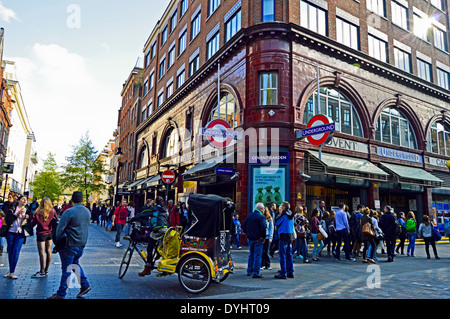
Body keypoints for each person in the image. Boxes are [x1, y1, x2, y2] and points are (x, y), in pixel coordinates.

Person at [47, 191, 91, 299]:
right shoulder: (87, 212)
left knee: (66, 269)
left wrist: (57, 239)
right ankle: (84, 285)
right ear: (82, 200)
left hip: (69, 244)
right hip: (81, 244)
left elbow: (60, 229)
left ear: (72, 200)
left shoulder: (69, 212)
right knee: (75, 263)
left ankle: (61, 293)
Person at [138, 196, 169, 277]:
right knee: (153, 241)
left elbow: (143, 213)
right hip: (165, 229)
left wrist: (133, 219)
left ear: (156, 202)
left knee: (149, 247)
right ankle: (158, 252)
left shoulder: (154, 209)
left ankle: (147, 267)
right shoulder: (165, 209)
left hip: (158, 230)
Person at [3, 195, 30, 279]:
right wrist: (17, 214)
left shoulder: (27, 210)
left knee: (16, 251)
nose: (25, 200)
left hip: (20, 233)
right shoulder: (13, 208)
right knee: (10, 251)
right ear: (18, 200)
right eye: (23, 199)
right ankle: (10, 271)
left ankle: (12, 271)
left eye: (26, 199)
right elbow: (8, 219)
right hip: (11, 231)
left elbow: (30, 222)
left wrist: (27, 218)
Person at [30, 197, 57, 278]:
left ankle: (42, 271)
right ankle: (46, 270)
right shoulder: (53, 211)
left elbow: (33, 224)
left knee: (41, 253)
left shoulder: (38, 213)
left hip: (41, 233)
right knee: (48, 251)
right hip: (50, 233)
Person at [242, 202, 267, 279]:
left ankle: (249, 271)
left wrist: (248, 233)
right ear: (261, 209)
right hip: (258, 239)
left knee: (251, 255)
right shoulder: (261, 217)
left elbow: (244, 226)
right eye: (263, 209)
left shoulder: (249, 216)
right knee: (257, 256)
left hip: (250, 238)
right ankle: (256, 273)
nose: (264, 210)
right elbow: (264, 228)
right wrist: (263, 237)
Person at [274, 202, 295, 279]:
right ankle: (291, 271)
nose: (279, 207)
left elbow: (276, 222)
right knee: (289, 255)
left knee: (282, 255)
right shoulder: (291, 215)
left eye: (281, 206)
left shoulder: (283, 215)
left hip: (283, 235)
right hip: (290, 235)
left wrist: (279, 213)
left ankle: (283, 272)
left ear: (284, 207)